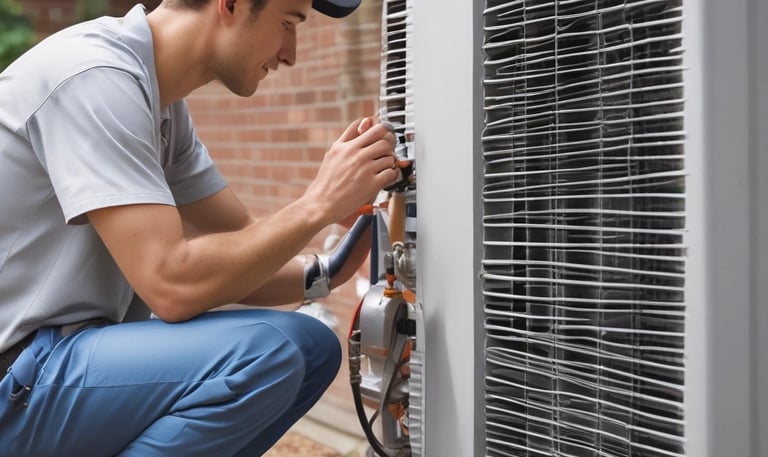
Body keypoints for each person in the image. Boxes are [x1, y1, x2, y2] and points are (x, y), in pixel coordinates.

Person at [0, 0, 398, 455]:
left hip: (55, 366)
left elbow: (244, 248)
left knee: (312, 349)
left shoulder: (161, 105)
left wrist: (339, 260)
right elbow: (172, 284)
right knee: (264, 354)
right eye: (287, 23)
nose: (291, 53)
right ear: (229, 5)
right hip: (16, 377)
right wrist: (318, 204)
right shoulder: (94, 75)